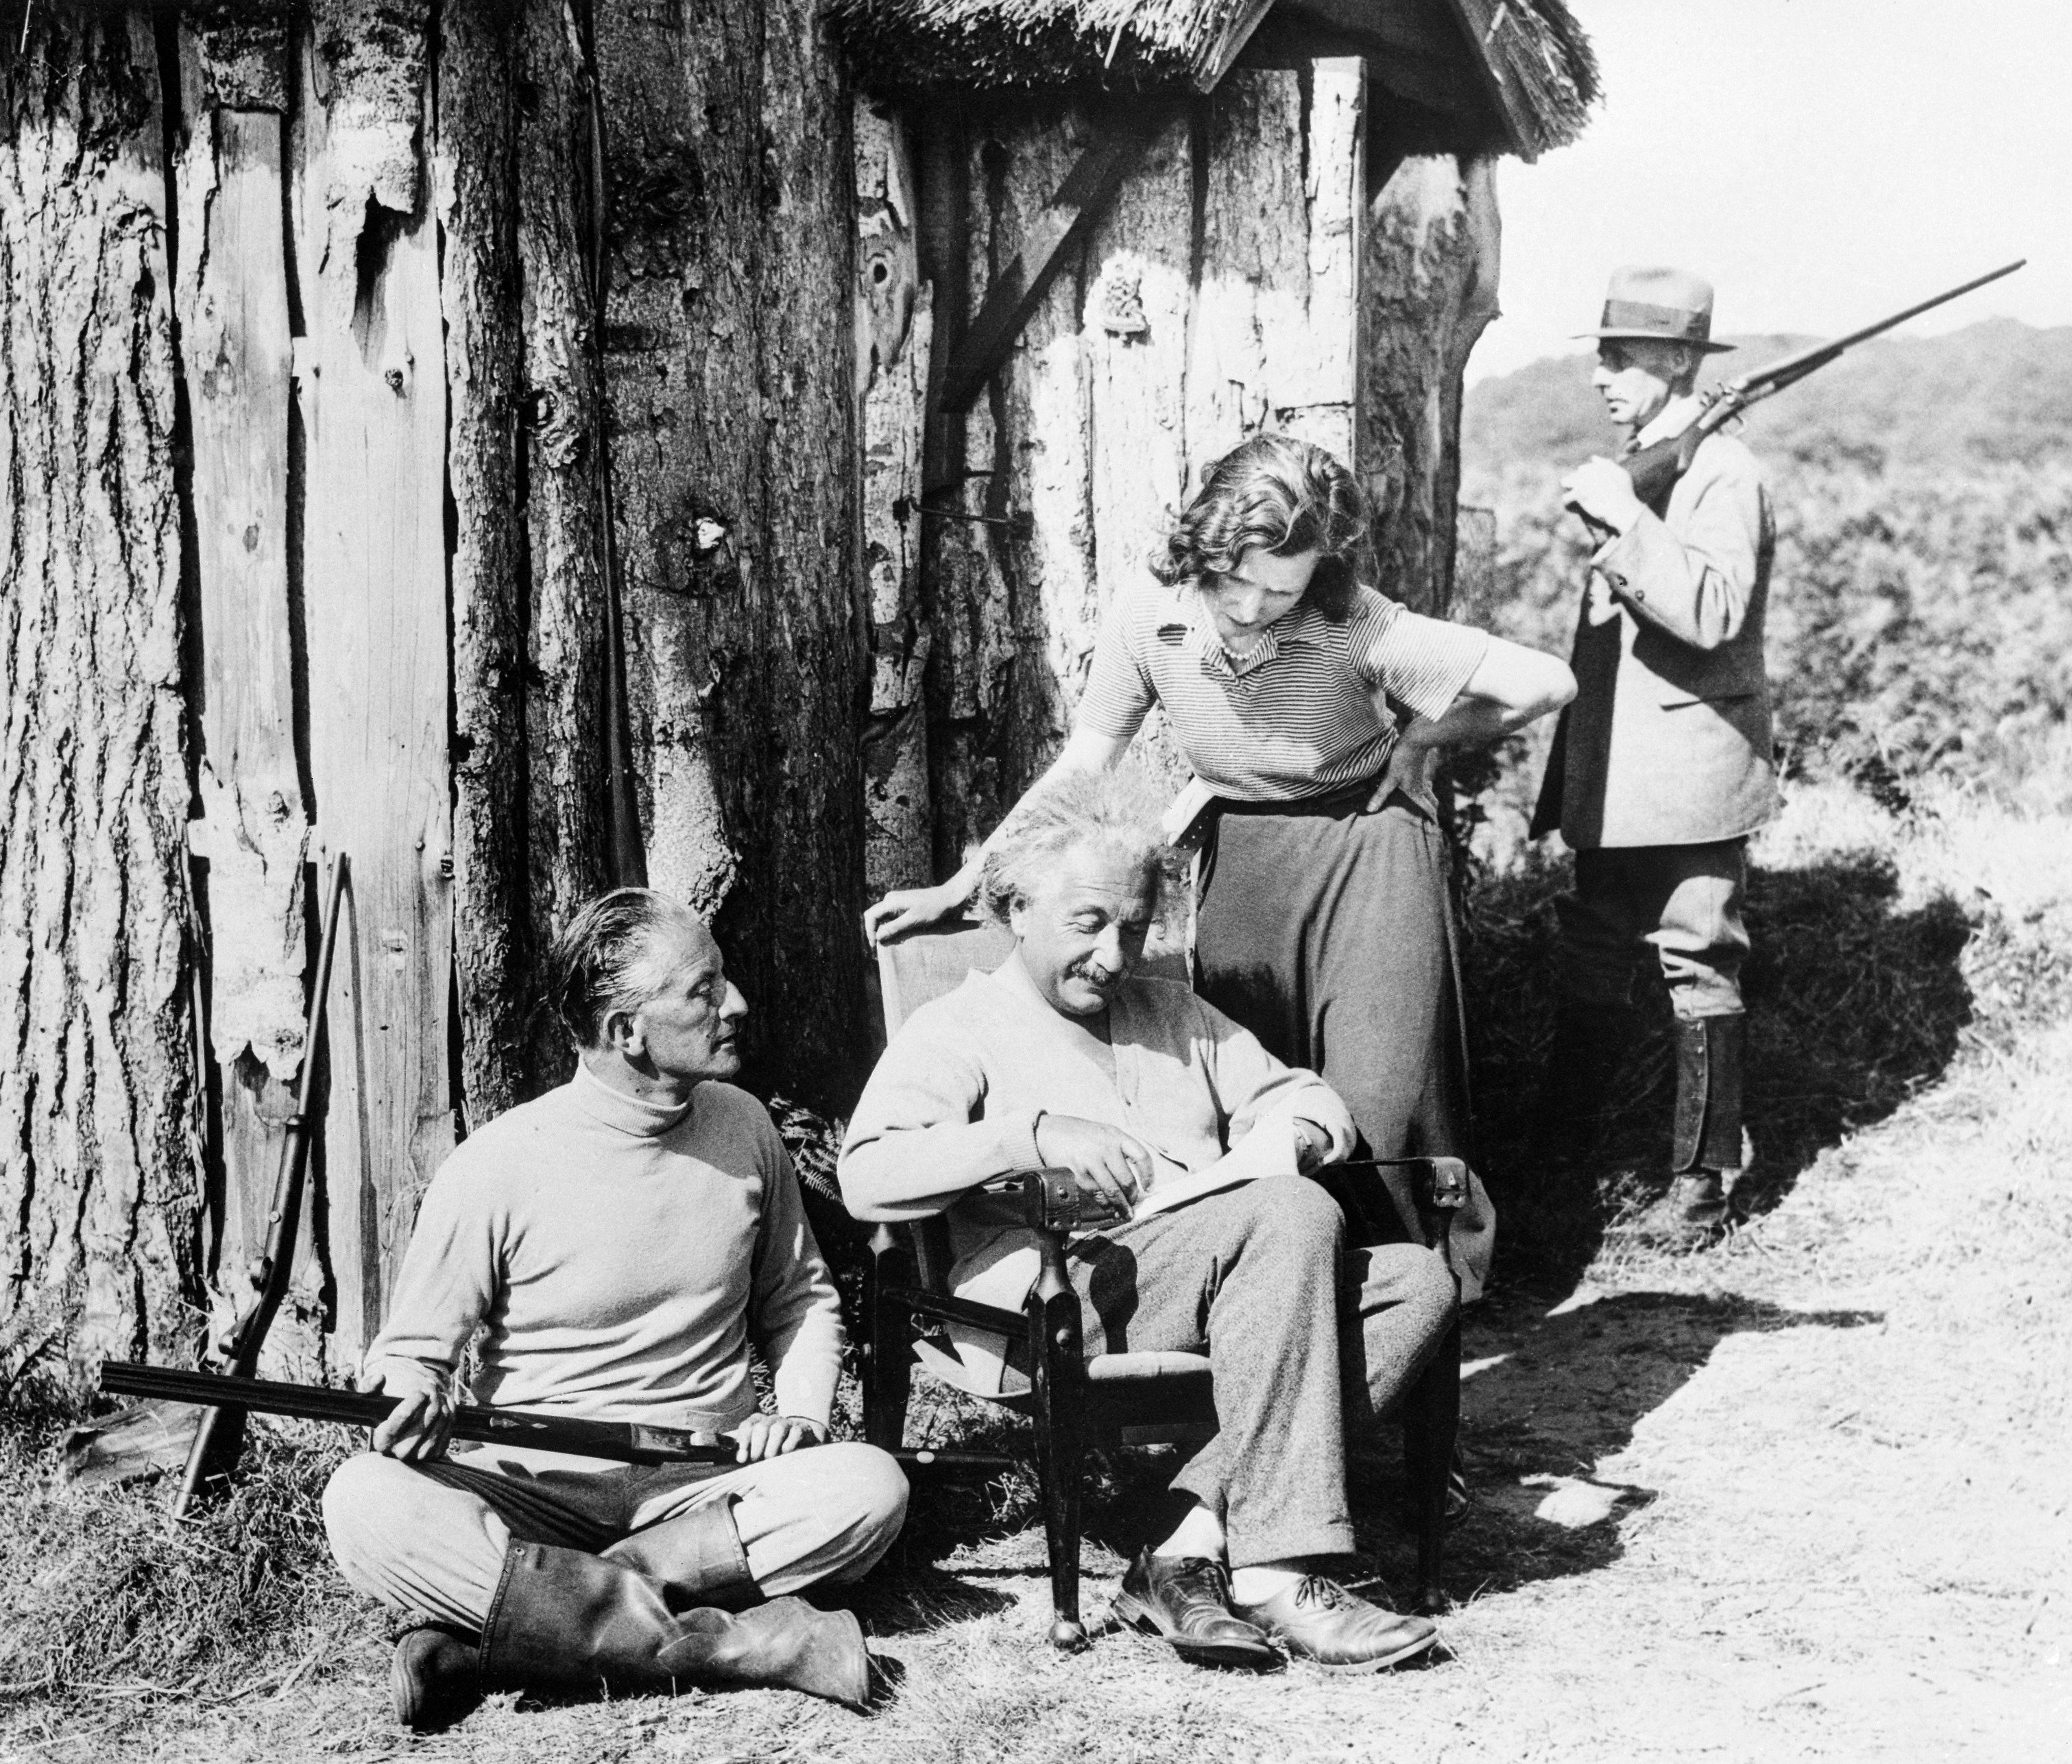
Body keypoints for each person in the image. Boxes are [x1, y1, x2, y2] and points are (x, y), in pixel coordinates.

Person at [842, 771, 1486, 1672]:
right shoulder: (960, 1028)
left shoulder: (1173, 1014)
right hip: (1057, 1291)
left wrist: (1295, 1129)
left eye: (1135, 926)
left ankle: (1183, 1536)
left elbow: (1305, 1098)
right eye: (1089, 922)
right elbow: (867, 1173)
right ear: (1018, 909)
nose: (1113, 954)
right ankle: (1277, 1573)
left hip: (1212, 1269)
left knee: (1414, 1282)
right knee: (1286, 1213)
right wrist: (1025, 1136)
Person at [865, 433, 1574, 1246]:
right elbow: (1086, 758)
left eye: (1279, 591)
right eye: (1234, 579)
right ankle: (1274, 1302)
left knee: (1380, 1104)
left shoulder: (1356, 622)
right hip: (1244, 855)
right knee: (1259, 1096)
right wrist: (968, 880)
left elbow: (1548, 681)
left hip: (1368, 848)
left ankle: (1404, 1316)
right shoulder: (1150, 615)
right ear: (1202, 549)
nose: (1248, 607)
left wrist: (1420, 739)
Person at [320, 890, 908, 1730]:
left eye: (724, 980)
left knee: (869, 1485)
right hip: (527, 1492)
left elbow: (802, 1301)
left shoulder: (745, 1128)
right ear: (626, 1031)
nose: (736, 1004)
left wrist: (805, 1414)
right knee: (362, 1499)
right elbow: (412, 1353)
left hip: (703, 1488)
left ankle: (503, 1639)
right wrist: (406, 1398)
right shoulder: (497, 1163)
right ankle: (747, 1641)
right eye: (703, 991)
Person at [1528, 266, 1779, 1249]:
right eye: (1600, 354)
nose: (1602, 374)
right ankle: (1560, 1161)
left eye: (1622, 356)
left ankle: (1705, 1183)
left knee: (1698, 967)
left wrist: (1625, 520)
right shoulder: (1656, 459)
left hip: (1689, 775)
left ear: (1678, 360)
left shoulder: (1725, 473)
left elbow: (1711, 613)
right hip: (1618, 765)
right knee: (1592, 957)